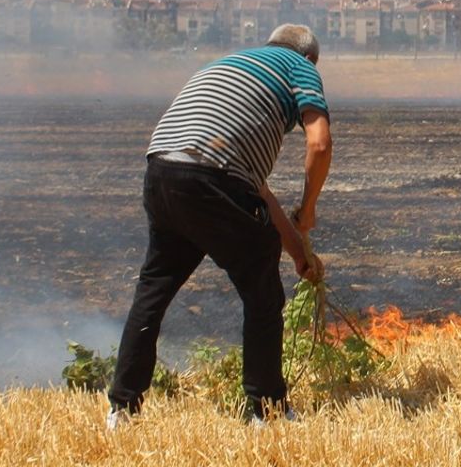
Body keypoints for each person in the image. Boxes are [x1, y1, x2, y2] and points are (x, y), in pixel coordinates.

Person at [107, 24, 332, 427]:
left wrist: (299, 252)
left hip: (162, 171)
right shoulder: (299, 65)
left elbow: (256, 189)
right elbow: (319, 143)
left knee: (153, 291)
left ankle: (122, 408)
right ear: (310, 57)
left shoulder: (230, 64)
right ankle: (268, 411)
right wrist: (309, 208)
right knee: (263, 294)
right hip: (212, 176)